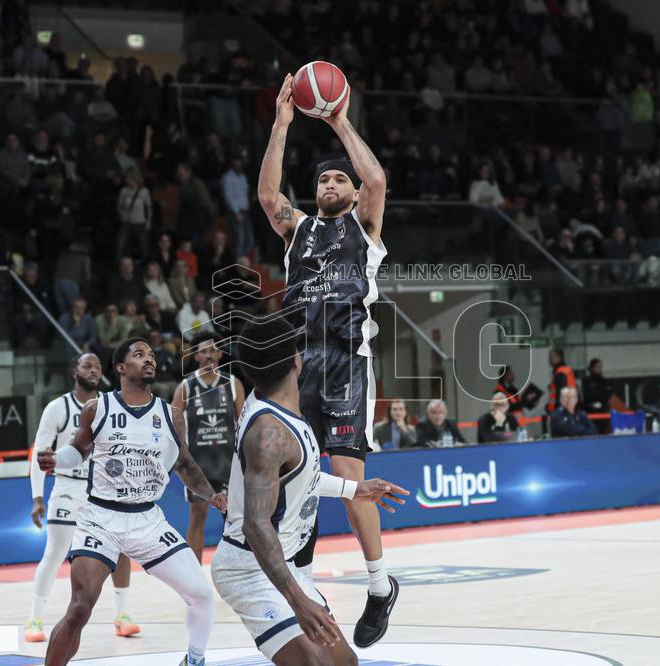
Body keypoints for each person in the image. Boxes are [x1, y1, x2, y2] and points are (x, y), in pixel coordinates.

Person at [258, 73, 397, 647]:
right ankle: (306, 588)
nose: (335, 182)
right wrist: (282, 123)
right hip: (296, 365)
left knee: (346, 476)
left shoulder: (364, 228)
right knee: (298, 479)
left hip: (344, 361)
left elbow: (378, 178)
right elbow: (269, 196)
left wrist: (338, 119)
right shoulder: (298, 232)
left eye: (342, 177)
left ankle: (379, 583)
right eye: (327, 178)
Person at [211, 319, 408, 665]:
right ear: (297, 362)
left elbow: (298, 477)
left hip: (281, 566)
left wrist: (355, 489)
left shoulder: (277, 406)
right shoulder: (270, 432)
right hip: (250, 568)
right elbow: (256, 525)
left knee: (345, 662)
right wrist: (297, 600)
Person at [37, 338, 226, 666]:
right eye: (140, 355)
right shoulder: (98, 408)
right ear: (121, 368)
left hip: (147, 520)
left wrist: (211, 495)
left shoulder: (171, 415)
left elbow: (183, 463)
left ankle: (194, 660)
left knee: (201, 594)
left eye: (151, 356)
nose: (149, 360)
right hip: (100, 518)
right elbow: (77, 451)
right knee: (80, 608)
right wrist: (57, 460)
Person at [25, 354, 140, 644]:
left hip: (101, 490)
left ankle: (122, 615)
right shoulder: (58, 407)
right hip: (66, 488)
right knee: (55, 553)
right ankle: (35, 618)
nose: (94, 371)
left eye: (98, 368)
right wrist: (37, 497)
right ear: (74, 371)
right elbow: (40, 452)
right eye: (88, 366)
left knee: (121, 549)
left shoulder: (110, 404)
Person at [171, 331, 244, 561]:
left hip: (228, 463)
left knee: (236, 520)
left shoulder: (232, 383)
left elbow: (243, 423)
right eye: (204, 351)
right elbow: (174, 425)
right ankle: (195, 576)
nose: (209, 355)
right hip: (199, 464)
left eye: (213, 350)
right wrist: (179, 456)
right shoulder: (186, 386)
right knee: (197, 517)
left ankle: (239, 569)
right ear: (196, 356)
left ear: (220, 354)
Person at [546, 348, 577, 414]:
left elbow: (562, 393)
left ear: (559, 358)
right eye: (550, 357)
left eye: (552, 357)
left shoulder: (561, 372)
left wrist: (558, 409)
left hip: (563, 410)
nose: (550, 360)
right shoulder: (562, 371)